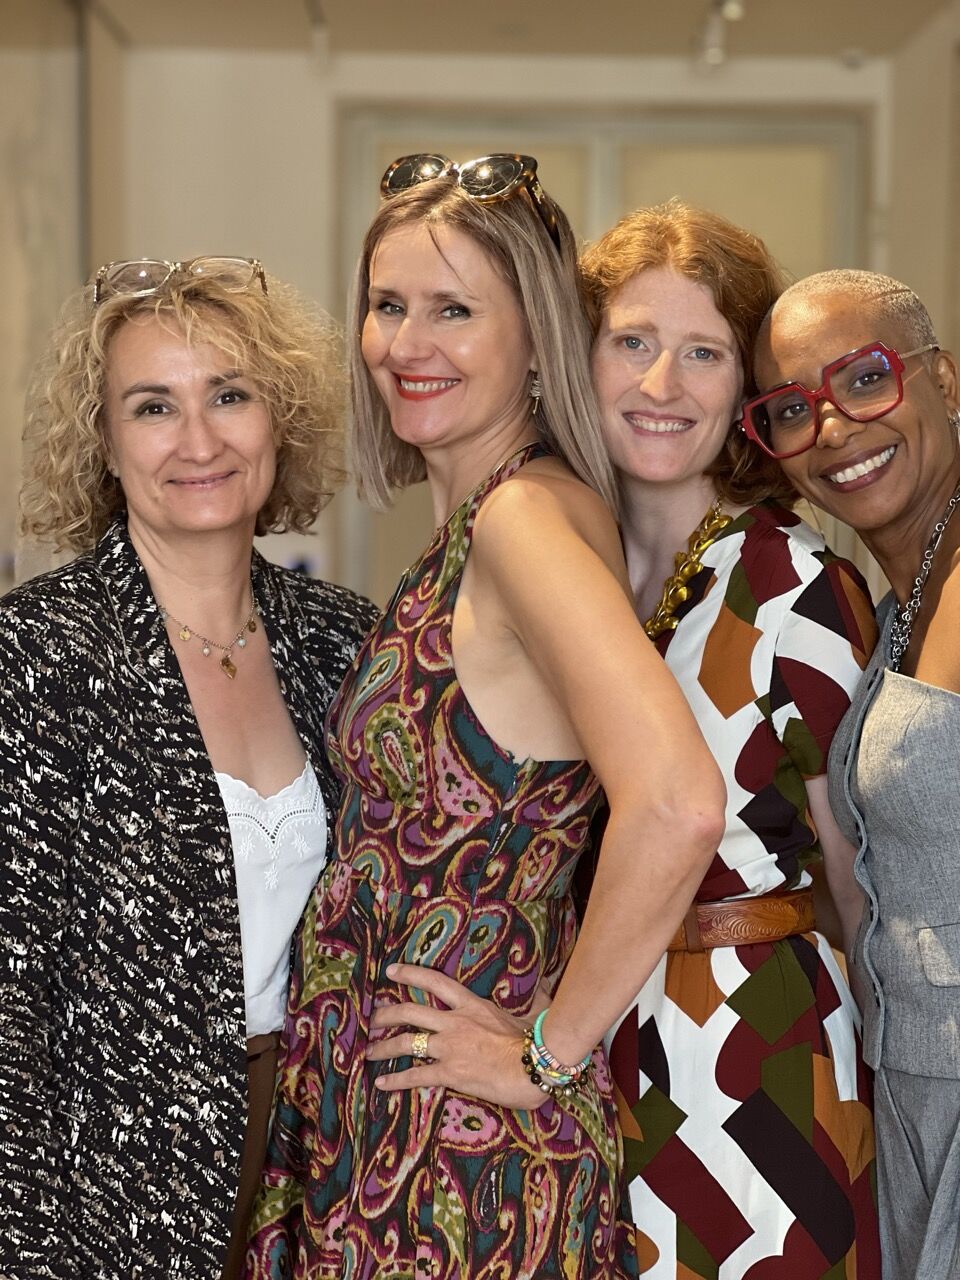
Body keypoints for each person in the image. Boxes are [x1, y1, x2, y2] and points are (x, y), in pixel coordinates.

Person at [244, 155, 725, 1279]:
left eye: (454, 310)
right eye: (388, 304)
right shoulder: (491, 517)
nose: (407, 343)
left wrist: (547, 1053)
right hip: (396, 1121)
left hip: (457, 1157)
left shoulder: (523, 524)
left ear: (537, 337)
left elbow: (678, 801)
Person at [0, 257, 378, 1280]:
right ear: (105, 444)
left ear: (279, 421)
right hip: (107, 1188)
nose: (200, 440)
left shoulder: (345, 641)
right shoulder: (36, 655)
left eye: (230, 395)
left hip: (319, 1156)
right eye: (154, 406)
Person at [579, 203, 882, 1278]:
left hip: (759, 1061)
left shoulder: (797, 587)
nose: (661, 384)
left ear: (746, 388)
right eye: (632, 341)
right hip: (590, 1049)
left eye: (703, 352)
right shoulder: (570, 574)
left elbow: (862, 890)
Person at [751, 268, 960, 1280]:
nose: (833, 428)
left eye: (865, 378)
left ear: (944, 380)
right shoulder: (893, 599)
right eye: (793, 408)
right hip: (910, 1098)